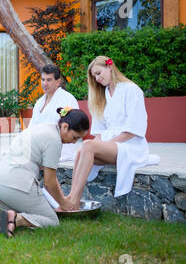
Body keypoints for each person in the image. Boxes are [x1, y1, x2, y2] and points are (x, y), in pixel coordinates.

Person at [0, 108, 89, 238]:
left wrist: (61, 199)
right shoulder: (54, 140)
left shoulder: (42, 128)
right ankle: (18, 220)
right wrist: (63, 203)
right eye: (75, 137)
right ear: (65, 126)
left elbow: (49, 176)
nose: (74, 142)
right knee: (52, 220)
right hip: (14, 186)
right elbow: (49, 182)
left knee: (31, 214)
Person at [66, 56, 158, 209]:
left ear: (110, 67)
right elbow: (99, 132)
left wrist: (106, 144)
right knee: (81, 150)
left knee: (88, 145)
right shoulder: (102, 95)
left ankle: (73, 201)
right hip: (112, 146)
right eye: (94, 76)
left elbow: (133, 130)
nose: (97, 78)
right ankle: (70, 197)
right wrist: (101, 143)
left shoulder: (131, 89)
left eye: (98, 72)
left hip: (131, 145)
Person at [29, 64, 80, 161]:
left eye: (49, 80)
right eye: (43, 80)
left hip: (60, 148)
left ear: (58, 81)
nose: (45, 83)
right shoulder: (39, 102)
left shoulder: (67, 99)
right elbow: (32, 127)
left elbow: (71, 128)